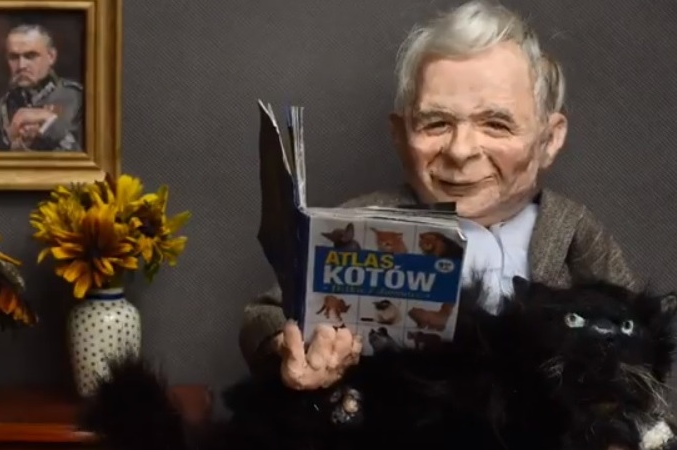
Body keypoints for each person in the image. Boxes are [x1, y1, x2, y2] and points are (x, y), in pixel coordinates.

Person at [239, 0, 641, 391]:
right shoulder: (362, 220)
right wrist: (288, 348)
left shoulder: (573, 230)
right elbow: (265, 314)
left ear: (549, 139)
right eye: (436, 123)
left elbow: (642, 332)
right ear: (400, 136)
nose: (460, 151)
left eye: (496, 124)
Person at [0, 24, 84, 152]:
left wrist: (48, 121)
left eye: (30, 56)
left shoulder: (76, 98)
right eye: (14, 57)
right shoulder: (4, 104)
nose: (21, 65)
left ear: (51, 57)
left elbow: (94, 158)